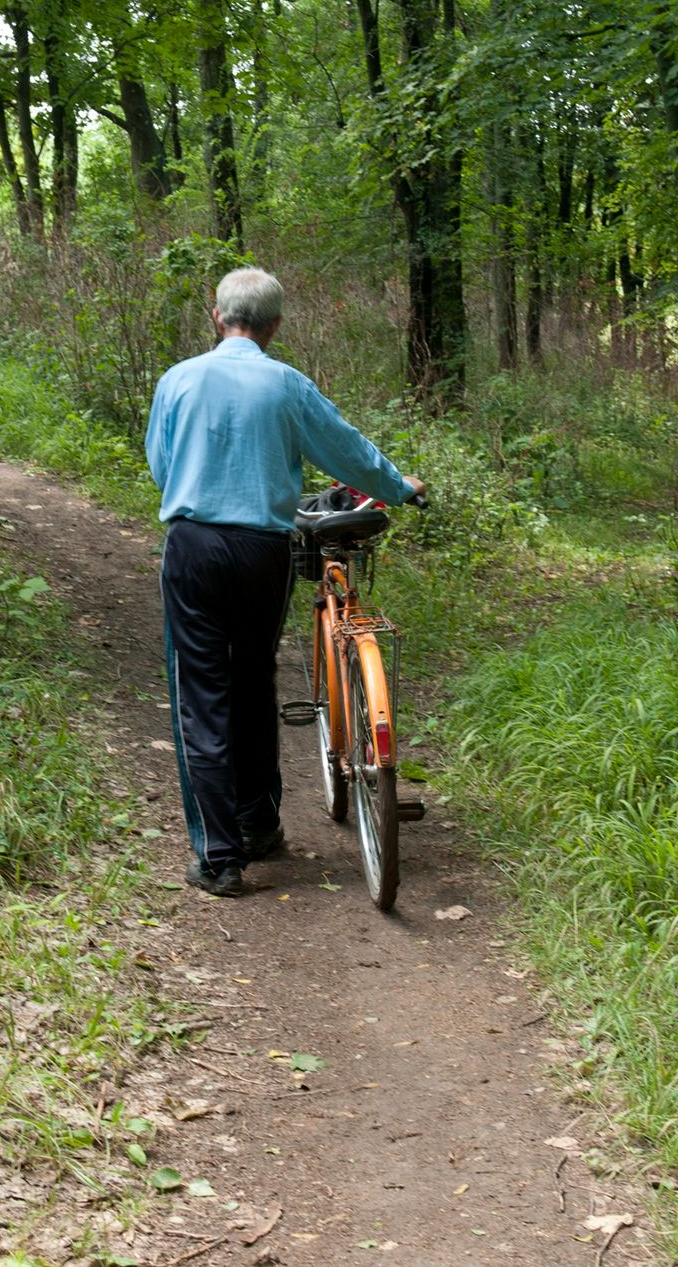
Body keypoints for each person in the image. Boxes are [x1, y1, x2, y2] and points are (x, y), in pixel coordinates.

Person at [145, 267, 426, 897]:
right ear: (274, 325)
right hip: (262, 550)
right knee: (252, 680)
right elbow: (346, 450)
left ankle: (219, 857)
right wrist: (397, 487)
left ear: (217, 316)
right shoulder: (286, 384)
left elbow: (162, 467)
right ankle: (259, 823)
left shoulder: (178, 380)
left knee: (202, 693)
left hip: (193, 545)